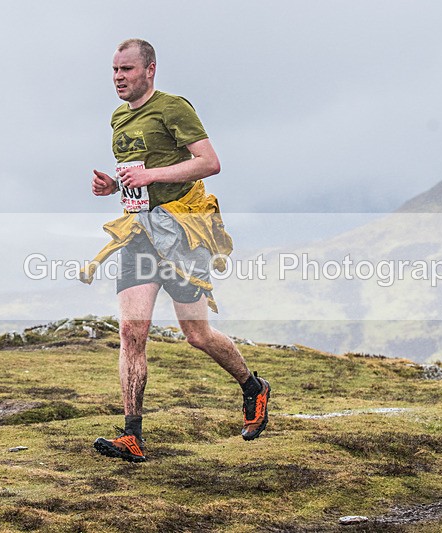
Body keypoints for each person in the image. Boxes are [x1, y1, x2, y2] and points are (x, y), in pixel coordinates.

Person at [86, 39, 270, 462]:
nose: (118, 77)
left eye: (127, 69)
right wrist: (114, 185)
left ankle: (253, 388)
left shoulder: (173, 108)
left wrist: (151, 176)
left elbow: (209, 162)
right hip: (139, 233)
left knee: (197, 335)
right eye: (114, 70)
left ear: (149, 70)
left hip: (183, 233)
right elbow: (138, 174)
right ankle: (131, 435)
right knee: (132, 332)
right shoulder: (118, 117)